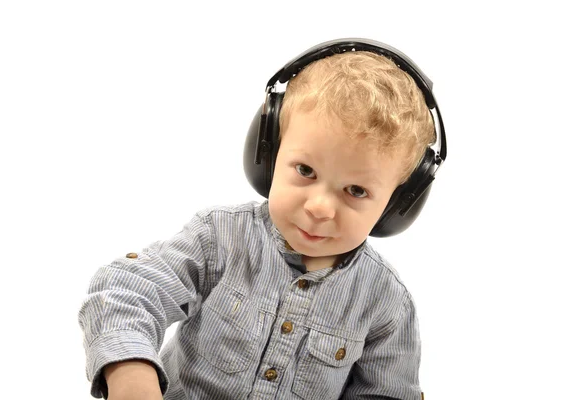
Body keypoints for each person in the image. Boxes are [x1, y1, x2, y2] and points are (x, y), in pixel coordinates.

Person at [79, 38, 446, 400]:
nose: (319, 207)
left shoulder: (386, 303)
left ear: (396, 207)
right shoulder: (220, 237)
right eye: (305, 169)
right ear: (267, 155)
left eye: (356, 191)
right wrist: (131, 372)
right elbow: (126, 289)